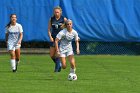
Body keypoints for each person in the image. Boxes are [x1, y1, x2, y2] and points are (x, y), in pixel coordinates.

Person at [48, 6, 67, 72]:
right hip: (53, 38)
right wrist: (50, 37)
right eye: (55, 12)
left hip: (60, 39)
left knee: (57, 54)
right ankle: (59, 64)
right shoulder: (51, 19)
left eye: (58, 12)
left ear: (60, 12)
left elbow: (68, 28)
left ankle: (56, 70)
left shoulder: (63, 19)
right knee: (51, 55)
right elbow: (49, 29)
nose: (56, 13)